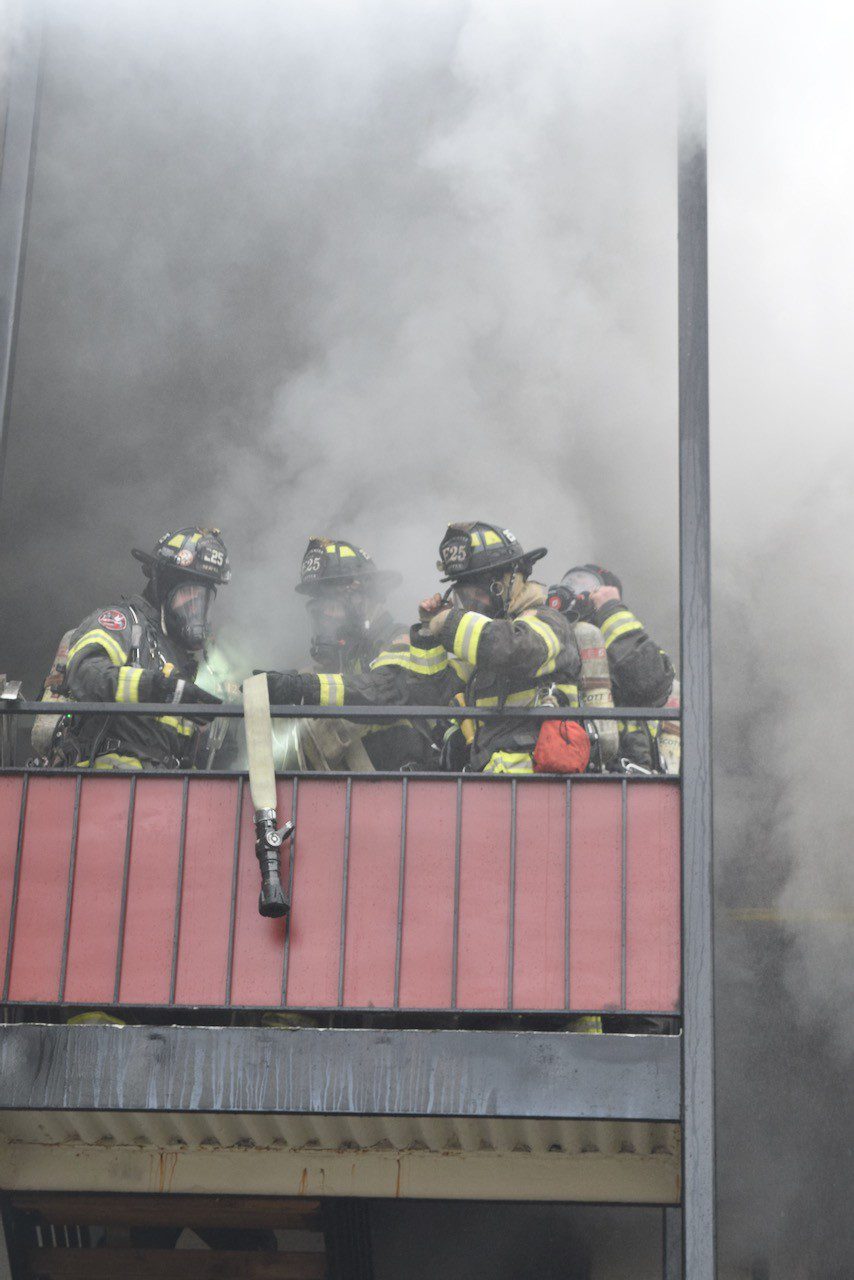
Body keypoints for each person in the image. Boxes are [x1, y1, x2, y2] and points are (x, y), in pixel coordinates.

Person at [411, 521, 619, 774]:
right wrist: (427, 634)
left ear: (508, 581)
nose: (470, 603)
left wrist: (448, 622)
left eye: (477, 591)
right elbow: (430, 691)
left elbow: (516, 650)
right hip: (489, 786)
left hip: (544, 790)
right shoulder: (479, 644)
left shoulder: (549, 623)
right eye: (462, 595)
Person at [52, 527, 227, 769]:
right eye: (189, 593)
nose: (197, 607)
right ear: (164, 585)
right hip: (105, 785)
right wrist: (157, 688)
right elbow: (85, 675)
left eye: (204, 598)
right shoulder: (122, 623)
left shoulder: (182, 660)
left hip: (166, 791)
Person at [263, 537, 438, 770]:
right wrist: (285, 687)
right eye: (321, 606)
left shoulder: (401, 638)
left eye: (333, 604)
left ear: (361, 597)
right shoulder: (345, 656)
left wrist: (304, 687)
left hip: (402, 785)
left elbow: (383, 691)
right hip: (352, 789)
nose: (326, 614)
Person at [554, 564, 680, 773]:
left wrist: (610, 610)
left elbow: (650, 681)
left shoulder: (626, 655)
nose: (575, 591)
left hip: (625, 780)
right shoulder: (549, 642)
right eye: (570, 583)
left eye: (587, 586)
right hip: (564, 775)